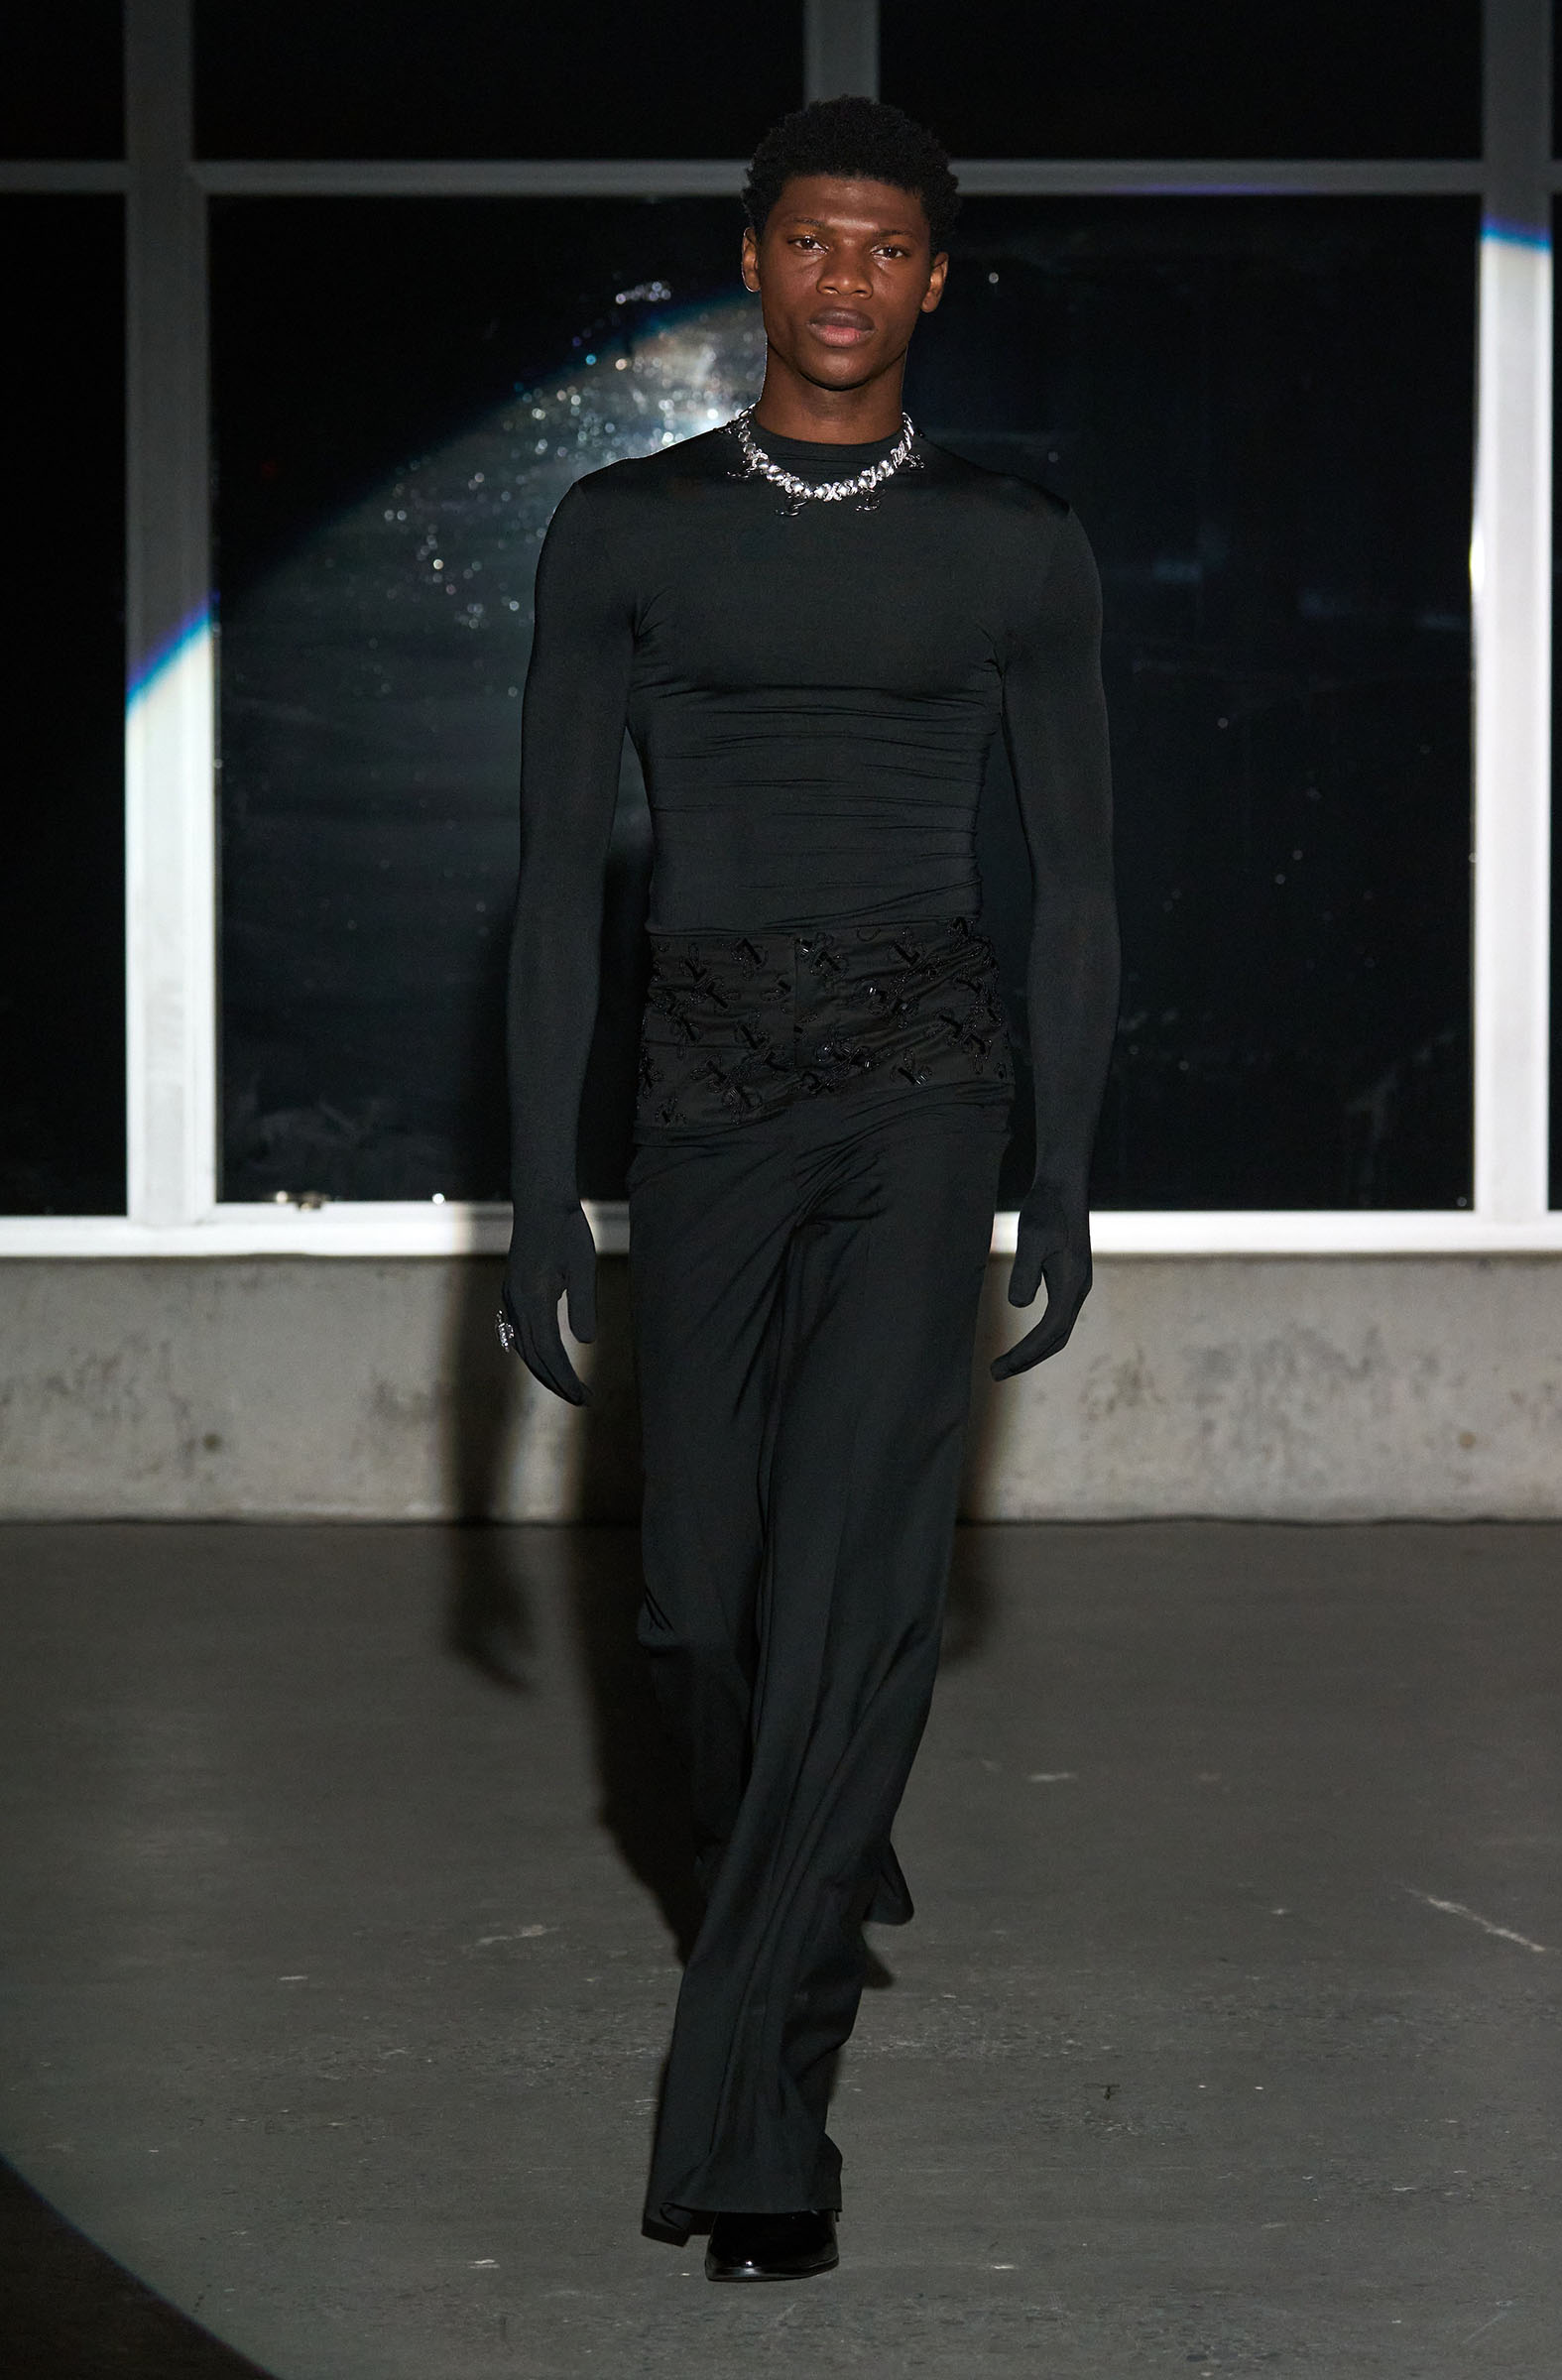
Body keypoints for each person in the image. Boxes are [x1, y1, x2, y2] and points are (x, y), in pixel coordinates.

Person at [499, 95, 1119, 2283]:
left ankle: (762, 2115)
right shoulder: (625, 529)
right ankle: (818, 1835)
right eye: (810, 240)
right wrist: (540, 1195)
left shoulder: (1013, 543)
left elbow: (1075, 885)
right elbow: (552, 886)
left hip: (921, 1089)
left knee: (854, 1586)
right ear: (752, 262)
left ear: (931, 280)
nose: (846, 277)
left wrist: (1058, 1172)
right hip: (704, 1090)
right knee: (692, 1606)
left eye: (886, 247)